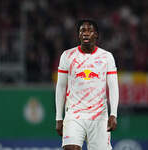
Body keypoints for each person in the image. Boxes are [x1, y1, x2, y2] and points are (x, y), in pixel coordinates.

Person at [55, 19, 119, 150]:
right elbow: (61, 86)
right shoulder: (67, 56)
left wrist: (114, 114)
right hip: (74, 114)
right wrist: (59, 117)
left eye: (90, 31)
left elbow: (113, 87)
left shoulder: (106, 57)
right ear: (78, 35)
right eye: (82, 31)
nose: (86, 33)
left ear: (96, 35)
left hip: (99, 116)